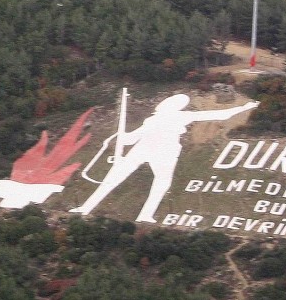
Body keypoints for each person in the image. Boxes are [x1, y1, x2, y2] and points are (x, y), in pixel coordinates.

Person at [70, 94, 258, 223]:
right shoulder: (152, 119)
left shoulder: (182, 116)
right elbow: (133, 137)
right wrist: (121, 137)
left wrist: (243, 107)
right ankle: (86, 207)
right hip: (143, 147)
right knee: (114, 178)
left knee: (161, 183)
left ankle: (146, 214)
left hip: (165, 150)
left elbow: (218, 114)